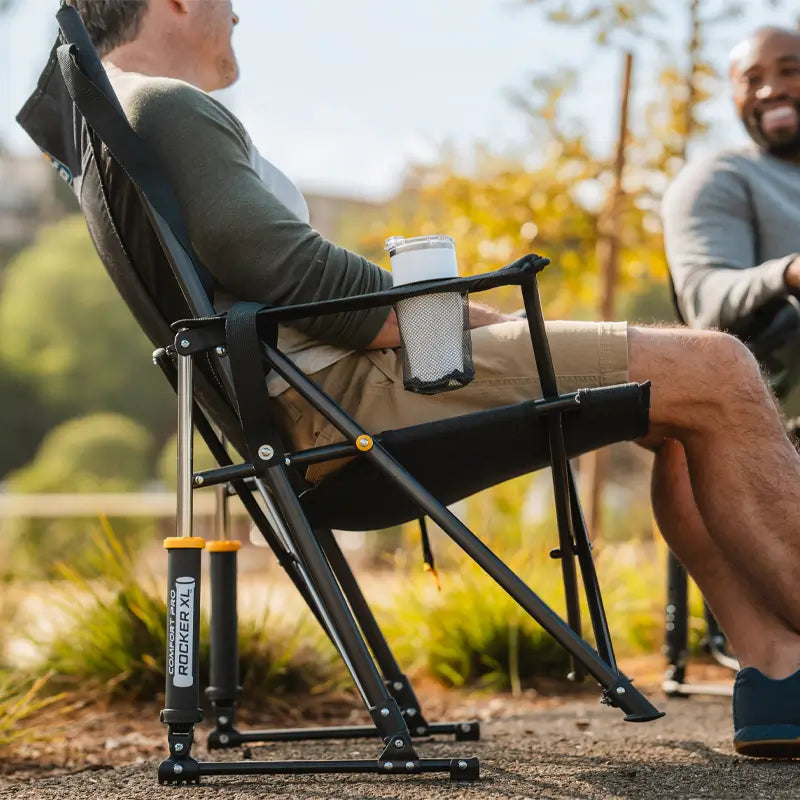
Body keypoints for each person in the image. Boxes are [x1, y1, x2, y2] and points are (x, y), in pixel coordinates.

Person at [66, 0, 800, 757]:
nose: (239, 12)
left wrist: (492, 328)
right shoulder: (166, 105)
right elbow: (291, 275)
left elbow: (283, 279)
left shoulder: (112, 116)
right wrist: (476, 323)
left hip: (325, 405)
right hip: (358, 405)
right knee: (718, 367)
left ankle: (779, 672)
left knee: (684, 411)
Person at [664, 26, 800, 416]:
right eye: (751, 79)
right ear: (734, 94)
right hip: (776, 402)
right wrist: (787, 273)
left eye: (789, 71)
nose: (770, 90)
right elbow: (704, 299)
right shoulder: (719, 178)